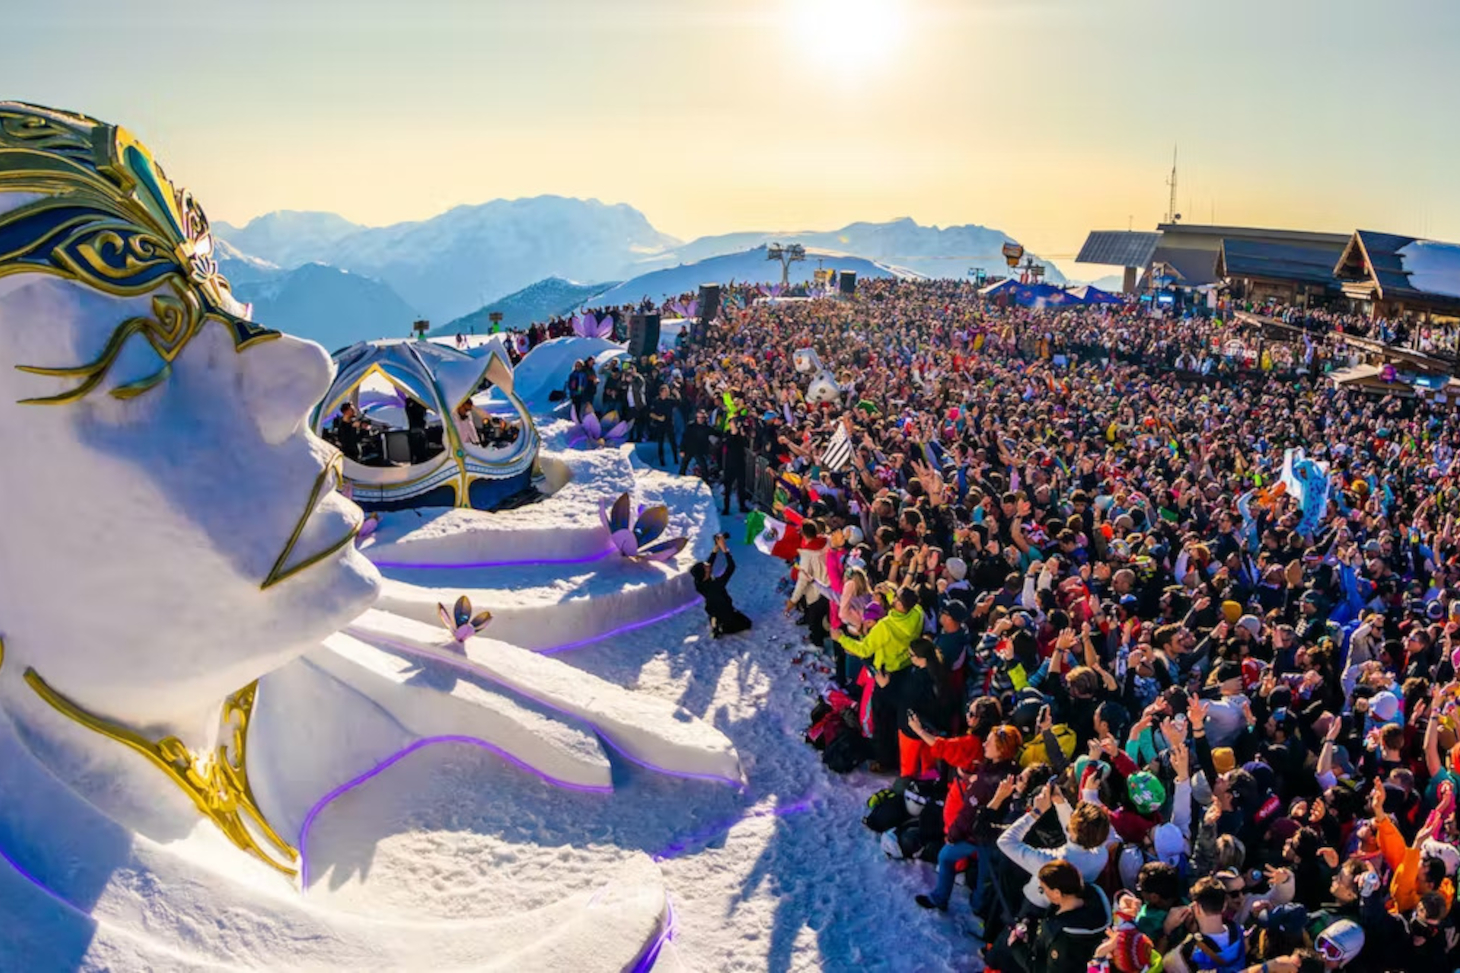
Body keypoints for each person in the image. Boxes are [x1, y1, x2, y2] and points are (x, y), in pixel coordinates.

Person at [691, 534, 751, 638]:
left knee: (717, 612)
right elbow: (731, 567)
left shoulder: (699, 583)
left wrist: (716, 547)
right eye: (705, 567)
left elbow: (709, 563)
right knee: (746, 623)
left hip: (712, 607)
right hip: (725, 610)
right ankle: (720, 628)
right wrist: (725, 549)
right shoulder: (716, 585)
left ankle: (714, 620)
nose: (707, 565)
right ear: (705, 574)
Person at [649, 384, 680, 467]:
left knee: (672, 442)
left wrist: (676, 393)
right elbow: (651, 413)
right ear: (661, 392)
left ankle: (676, 459)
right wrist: (658, 418)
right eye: (665, 391)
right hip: (660, 424)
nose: (667, 393)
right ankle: (661, 461)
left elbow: (678, 402)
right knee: (660, 442)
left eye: (668, 391)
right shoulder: (655, 401)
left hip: (669, 423)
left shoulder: (670, 400)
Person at [680, 409, 713, 478]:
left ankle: (705, 480)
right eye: (699, 417)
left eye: (702, 417)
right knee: (683, 466)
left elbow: (716, 433)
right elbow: (684, 438)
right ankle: (680, 479)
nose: (700, 419)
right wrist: (682, 449)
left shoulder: (707, 428)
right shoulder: (690, 426)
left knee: (703, 466)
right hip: (689, 449)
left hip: (699, 450)